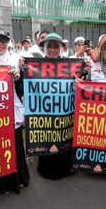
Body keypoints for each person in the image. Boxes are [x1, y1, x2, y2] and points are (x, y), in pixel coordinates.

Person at [0, 27, 29, 193]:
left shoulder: (16, 58)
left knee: (15, 146)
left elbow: (23, 88)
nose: (0, 44)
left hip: (13, 109)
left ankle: (18, 179)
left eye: (3, 40)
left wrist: (18, 77)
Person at [29, 32, 78, 180]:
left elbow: (80, 82)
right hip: (45, 110)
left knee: (63, 137)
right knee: (48, 137)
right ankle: (47, 170)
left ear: (61, 48)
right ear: (44, 48)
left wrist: (84, 70)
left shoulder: (70, 65)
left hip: (64, 110)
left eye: (55, 46)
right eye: (49, 46)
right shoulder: (36, 65)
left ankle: (65, 169)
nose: (52, 50)